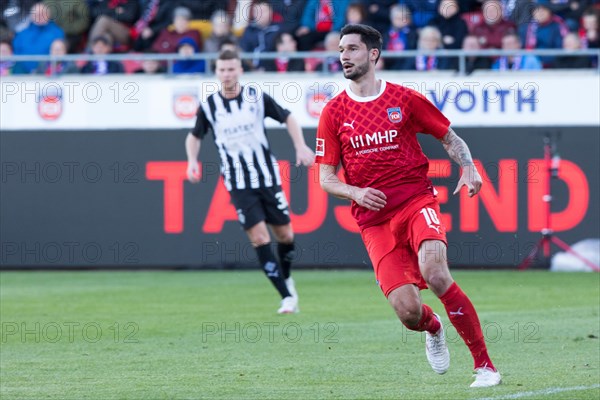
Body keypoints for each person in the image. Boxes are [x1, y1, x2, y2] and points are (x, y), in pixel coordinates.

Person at [316, 24, 501, 388]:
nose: (344, 56)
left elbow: (448, 136)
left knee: (435, 270)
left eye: (352, 49)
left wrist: (468, 166)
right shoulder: (334, 112)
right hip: (374, 221)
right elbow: (326, 178)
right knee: (408, 312)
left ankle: (485, 366)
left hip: (416, 200)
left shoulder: (403, 99)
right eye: (341, 50)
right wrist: (354, 192)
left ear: (373, 54)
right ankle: (433, 329)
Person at [185, 50, 315, 314]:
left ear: (240, 71)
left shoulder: (256, 98)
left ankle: (287, 277)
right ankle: (286, 296)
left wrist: (300, 146)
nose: (227, 74)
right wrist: (191, 161)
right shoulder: (210, 106)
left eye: (231, 69)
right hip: (238, 182)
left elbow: (288, 116)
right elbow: (194, 136)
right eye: (222, 70)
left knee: (285, 235)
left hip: (267, 176)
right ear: (217, 72)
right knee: (258, 237)